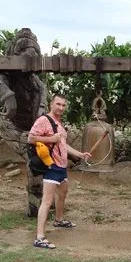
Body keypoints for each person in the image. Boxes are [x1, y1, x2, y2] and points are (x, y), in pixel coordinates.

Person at [28, 94, 91, 249]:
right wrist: (51, 139)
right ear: (51, 104)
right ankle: (39, 237)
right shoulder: (43, 120)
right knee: (47, 201)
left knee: (62, 193)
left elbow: (63, 145)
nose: (61, 108)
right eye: (58, 104)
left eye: (64, 105)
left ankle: (59, 220)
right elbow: (30, 138)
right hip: (51, 165)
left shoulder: (59, 123)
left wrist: (80, 154)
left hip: (62, 166)